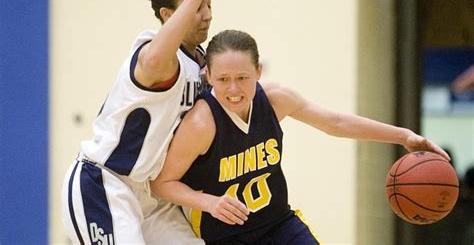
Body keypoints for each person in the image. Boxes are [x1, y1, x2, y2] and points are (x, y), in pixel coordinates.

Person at [150, 30, 451, 244]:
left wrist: (404, 137)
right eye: (223, 80)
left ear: (258, 70)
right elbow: (161, 184)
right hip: (225, 235)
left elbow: (334, 123)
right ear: (209, 77)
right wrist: (208, 202)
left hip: (278, 224)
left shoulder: (276, 99)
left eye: (242, 78)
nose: (233, 89)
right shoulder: (203, 123)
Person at [61, 0, 211, 244]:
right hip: (105, 185)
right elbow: (157, 59)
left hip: (155, 198)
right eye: (197, 6)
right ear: (168, 15)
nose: (208, 13)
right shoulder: (154, 55)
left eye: (209, 2)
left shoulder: (202, 64)